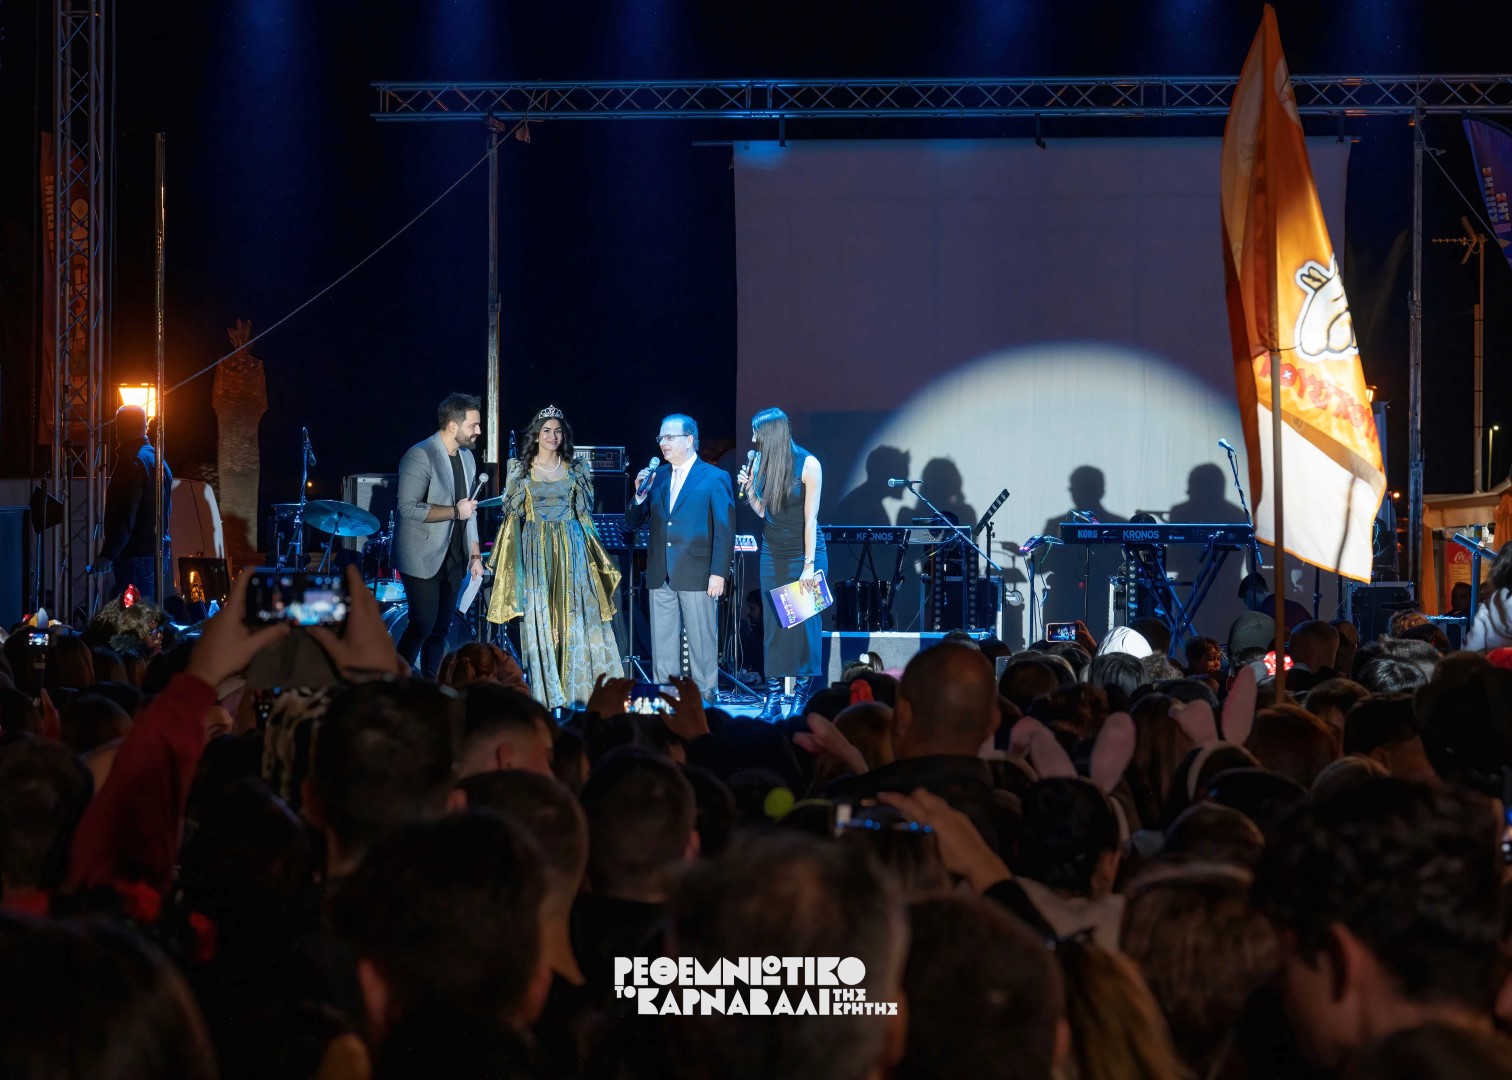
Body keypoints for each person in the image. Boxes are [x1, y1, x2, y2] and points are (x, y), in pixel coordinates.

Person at [486, 405, 623, 708]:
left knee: (575, 615)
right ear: (536, 435)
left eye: (557, 431)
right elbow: (512, 514)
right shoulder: (520, 469)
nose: (552, 436)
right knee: (543, 616)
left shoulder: (576, 469)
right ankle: (548, 694)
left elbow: (584, 514)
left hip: (572, 548)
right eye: (546, 430)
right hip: (536, 549)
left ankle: (581, 692)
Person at [625, 414, 736, 702]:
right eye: (661, 438)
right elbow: (633, 522)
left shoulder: (714, 477)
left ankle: (705, 698)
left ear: (689, 440)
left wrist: (718, 572)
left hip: (698, 572)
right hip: (660, 571)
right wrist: (639, 495)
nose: (663, 443)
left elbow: (725, 530)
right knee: (662, 641)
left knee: (701, 639)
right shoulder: (658, 476)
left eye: (669, 437)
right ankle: (666, 698)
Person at [737, 407, 828, 719]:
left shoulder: (808, 464)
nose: (753, 439)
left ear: (771, 434)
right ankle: (773, 699)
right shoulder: (762, 463)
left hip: (805, 553)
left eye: (757, 433)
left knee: (804, 627)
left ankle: (800, 698)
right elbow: (764, 512)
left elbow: (810, 520)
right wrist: (750, 488)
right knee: (774, 626)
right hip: (772, 553)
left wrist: (808, 566)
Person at [392, 392, 485, 678]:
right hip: (421, 556)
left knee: (441, 630)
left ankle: (432, 687)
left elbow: (470, 512)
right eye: (473, 425)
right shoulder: (420, 454)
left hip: (455, 555)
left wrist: (475, 555)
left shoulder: (468, 458)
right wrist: (455, 511)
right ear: (453, 426)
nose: (478, 431)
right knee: (422, 624)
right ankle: (396, 682)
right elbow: (408, 508)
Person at [98, 403, 174, 602]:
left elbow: (125, 513)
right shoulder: (158, 460)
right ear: (144, 426)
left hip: (135, 556)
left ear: (121, 427)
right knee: (148, 614)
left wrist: (109, 553)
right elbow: (166, 510)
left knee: (133, 615)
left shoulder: (132, 462)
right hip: (154, 554)